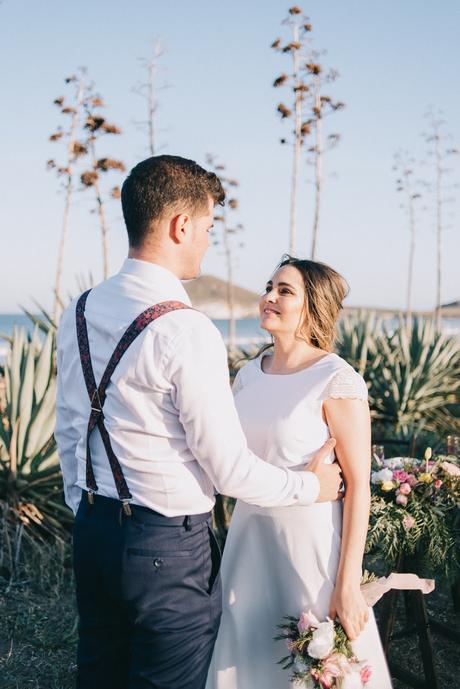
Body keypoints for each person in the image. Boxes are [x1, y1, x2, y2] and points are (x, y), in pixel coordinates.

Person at [55, 155, 343, 689]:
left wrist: (88, 512)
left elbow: (70, 431)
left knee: (99, 672)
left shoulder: (80, 308)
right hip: (166, 549)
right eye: (209, 227)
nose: (208, 241)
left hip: (93, 531)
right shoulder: (186, 328)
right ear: (180, 226)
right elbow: (229, 470)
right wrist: (312, 485)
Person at [206, 256, 393, 689]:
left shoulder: (337, 379)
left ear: (312, 306)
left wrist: (347, 583)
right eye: (269, 286)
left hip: (309, 552)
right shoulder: (247, 375)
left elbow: (358, 488)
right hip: (249, 544)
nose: (269, 297)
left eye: (285, 291)